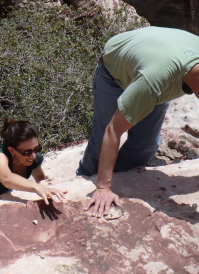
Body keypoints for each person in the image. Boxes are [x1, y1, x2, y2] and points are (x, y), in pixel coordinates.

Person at [77, 26, 199, 218]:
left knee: (147, 144)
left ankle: (122, 176)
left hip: (158, 57)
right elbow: (113, 131)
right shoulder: (155, 79)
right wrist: (103, 187)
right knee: (103, 137)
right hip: (115, 74)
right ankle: (86, 176)